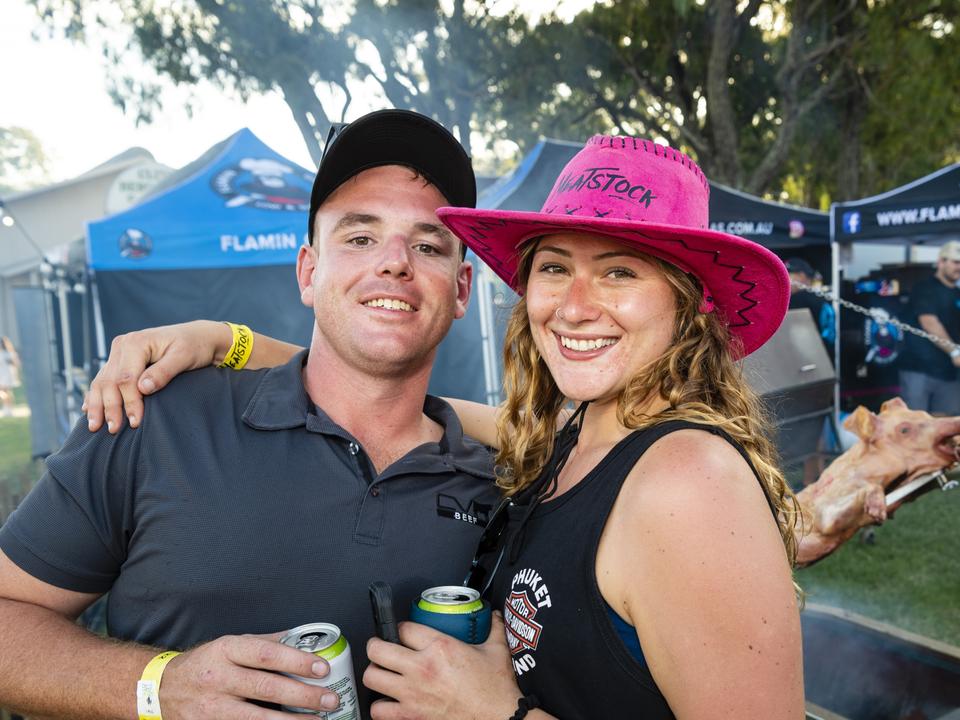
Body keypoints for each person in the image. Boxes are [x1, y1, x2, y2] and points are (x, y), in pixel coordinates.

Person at [82, 136, 805, 719]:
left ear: (692, 307)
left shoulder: (688, 477)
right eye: (556, 268)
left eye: (620, 273)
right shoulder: (571, 442)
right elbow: (392, 396)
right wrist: (227, 341)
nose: (576, 306)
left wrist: (499, 715)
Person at [0, 108, 499, 719]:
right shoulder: (157, 418)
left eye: (428, 244)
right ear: (308, 272)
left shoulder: (505, 488)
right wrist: (160, 687)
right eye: (360, 236)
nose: (395, 261)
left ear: (462, 290)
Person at [895, 240, 960, 415]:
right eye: (955, 262)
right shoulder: (924, 289)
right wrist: (955, 352)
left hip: (949, 374)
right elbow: (929, 322)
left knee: (949, 428)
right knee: (915, 426)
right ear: (941, 262)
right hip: (918, 370)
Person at [785, 257, 836, 358]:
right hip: (824, 356)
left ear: (801, 276)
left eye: (788, 275)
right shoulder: (819, 296)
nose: (784, 279)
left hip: (811, 358)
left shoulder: (799, 299)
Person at [0, 336, 19, 417]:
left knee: (7, 391)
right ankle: (6, 406)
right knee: (3, 392)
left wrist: (10, 361)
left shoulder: (10, 353)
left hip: (7, 374)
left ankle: (9, 408)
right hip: (1, 374)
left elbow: (16, 363)